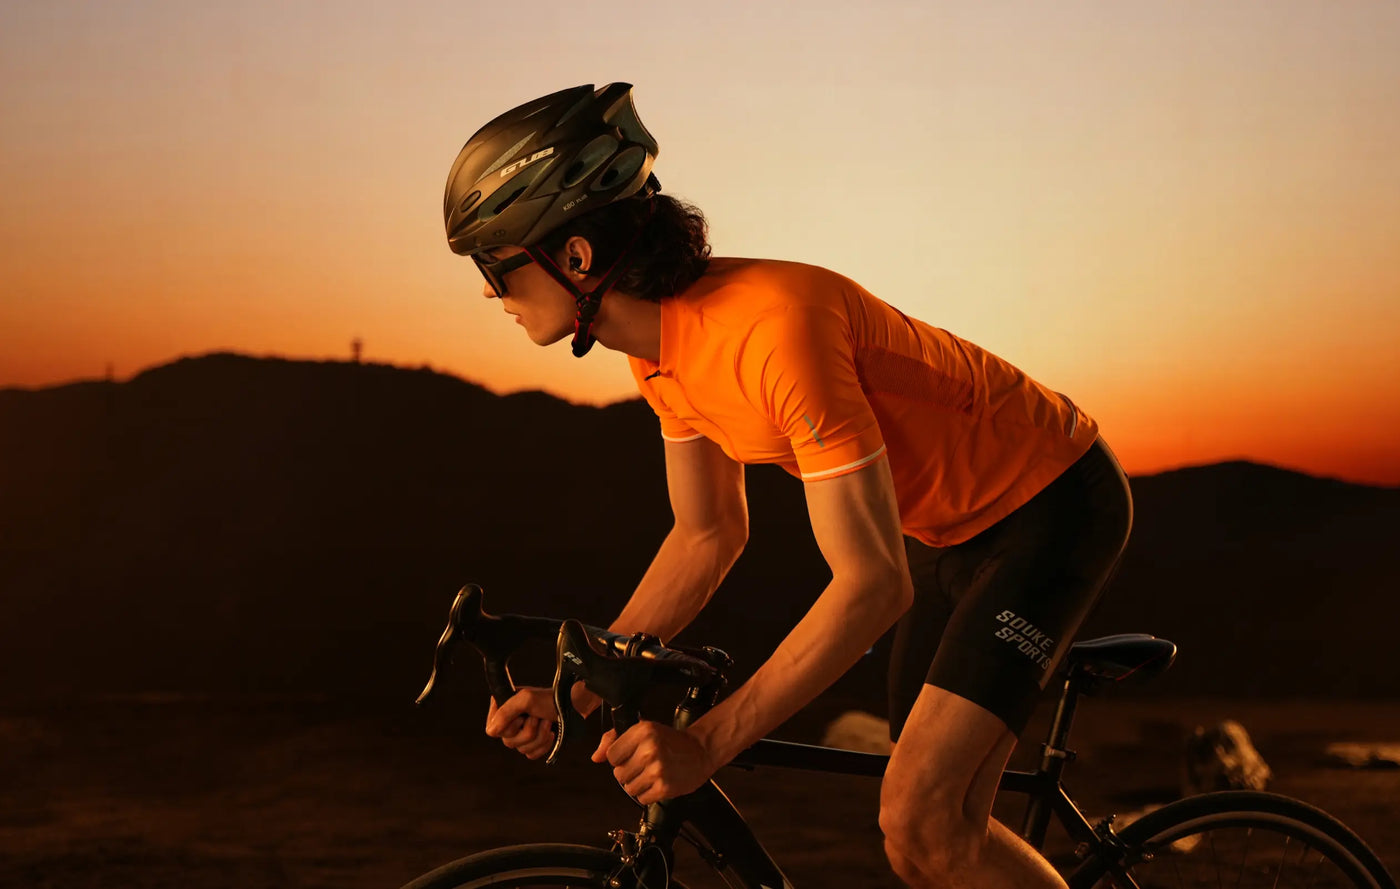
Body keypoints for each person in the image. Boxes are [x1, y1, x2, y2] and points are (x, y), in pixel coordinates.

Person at [449, 83, 1132, 889]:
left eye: (496, 265)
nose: (490, 292)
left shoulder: (774, 330)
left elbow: (872, 585)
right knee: (922, 842)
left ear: (576, 257)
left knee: (923, 818)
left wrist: (704, 743)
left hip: (1052, 505)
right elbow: (706, 536)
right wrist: (579, 690)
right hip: (946, 536)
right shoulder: (658, 351)